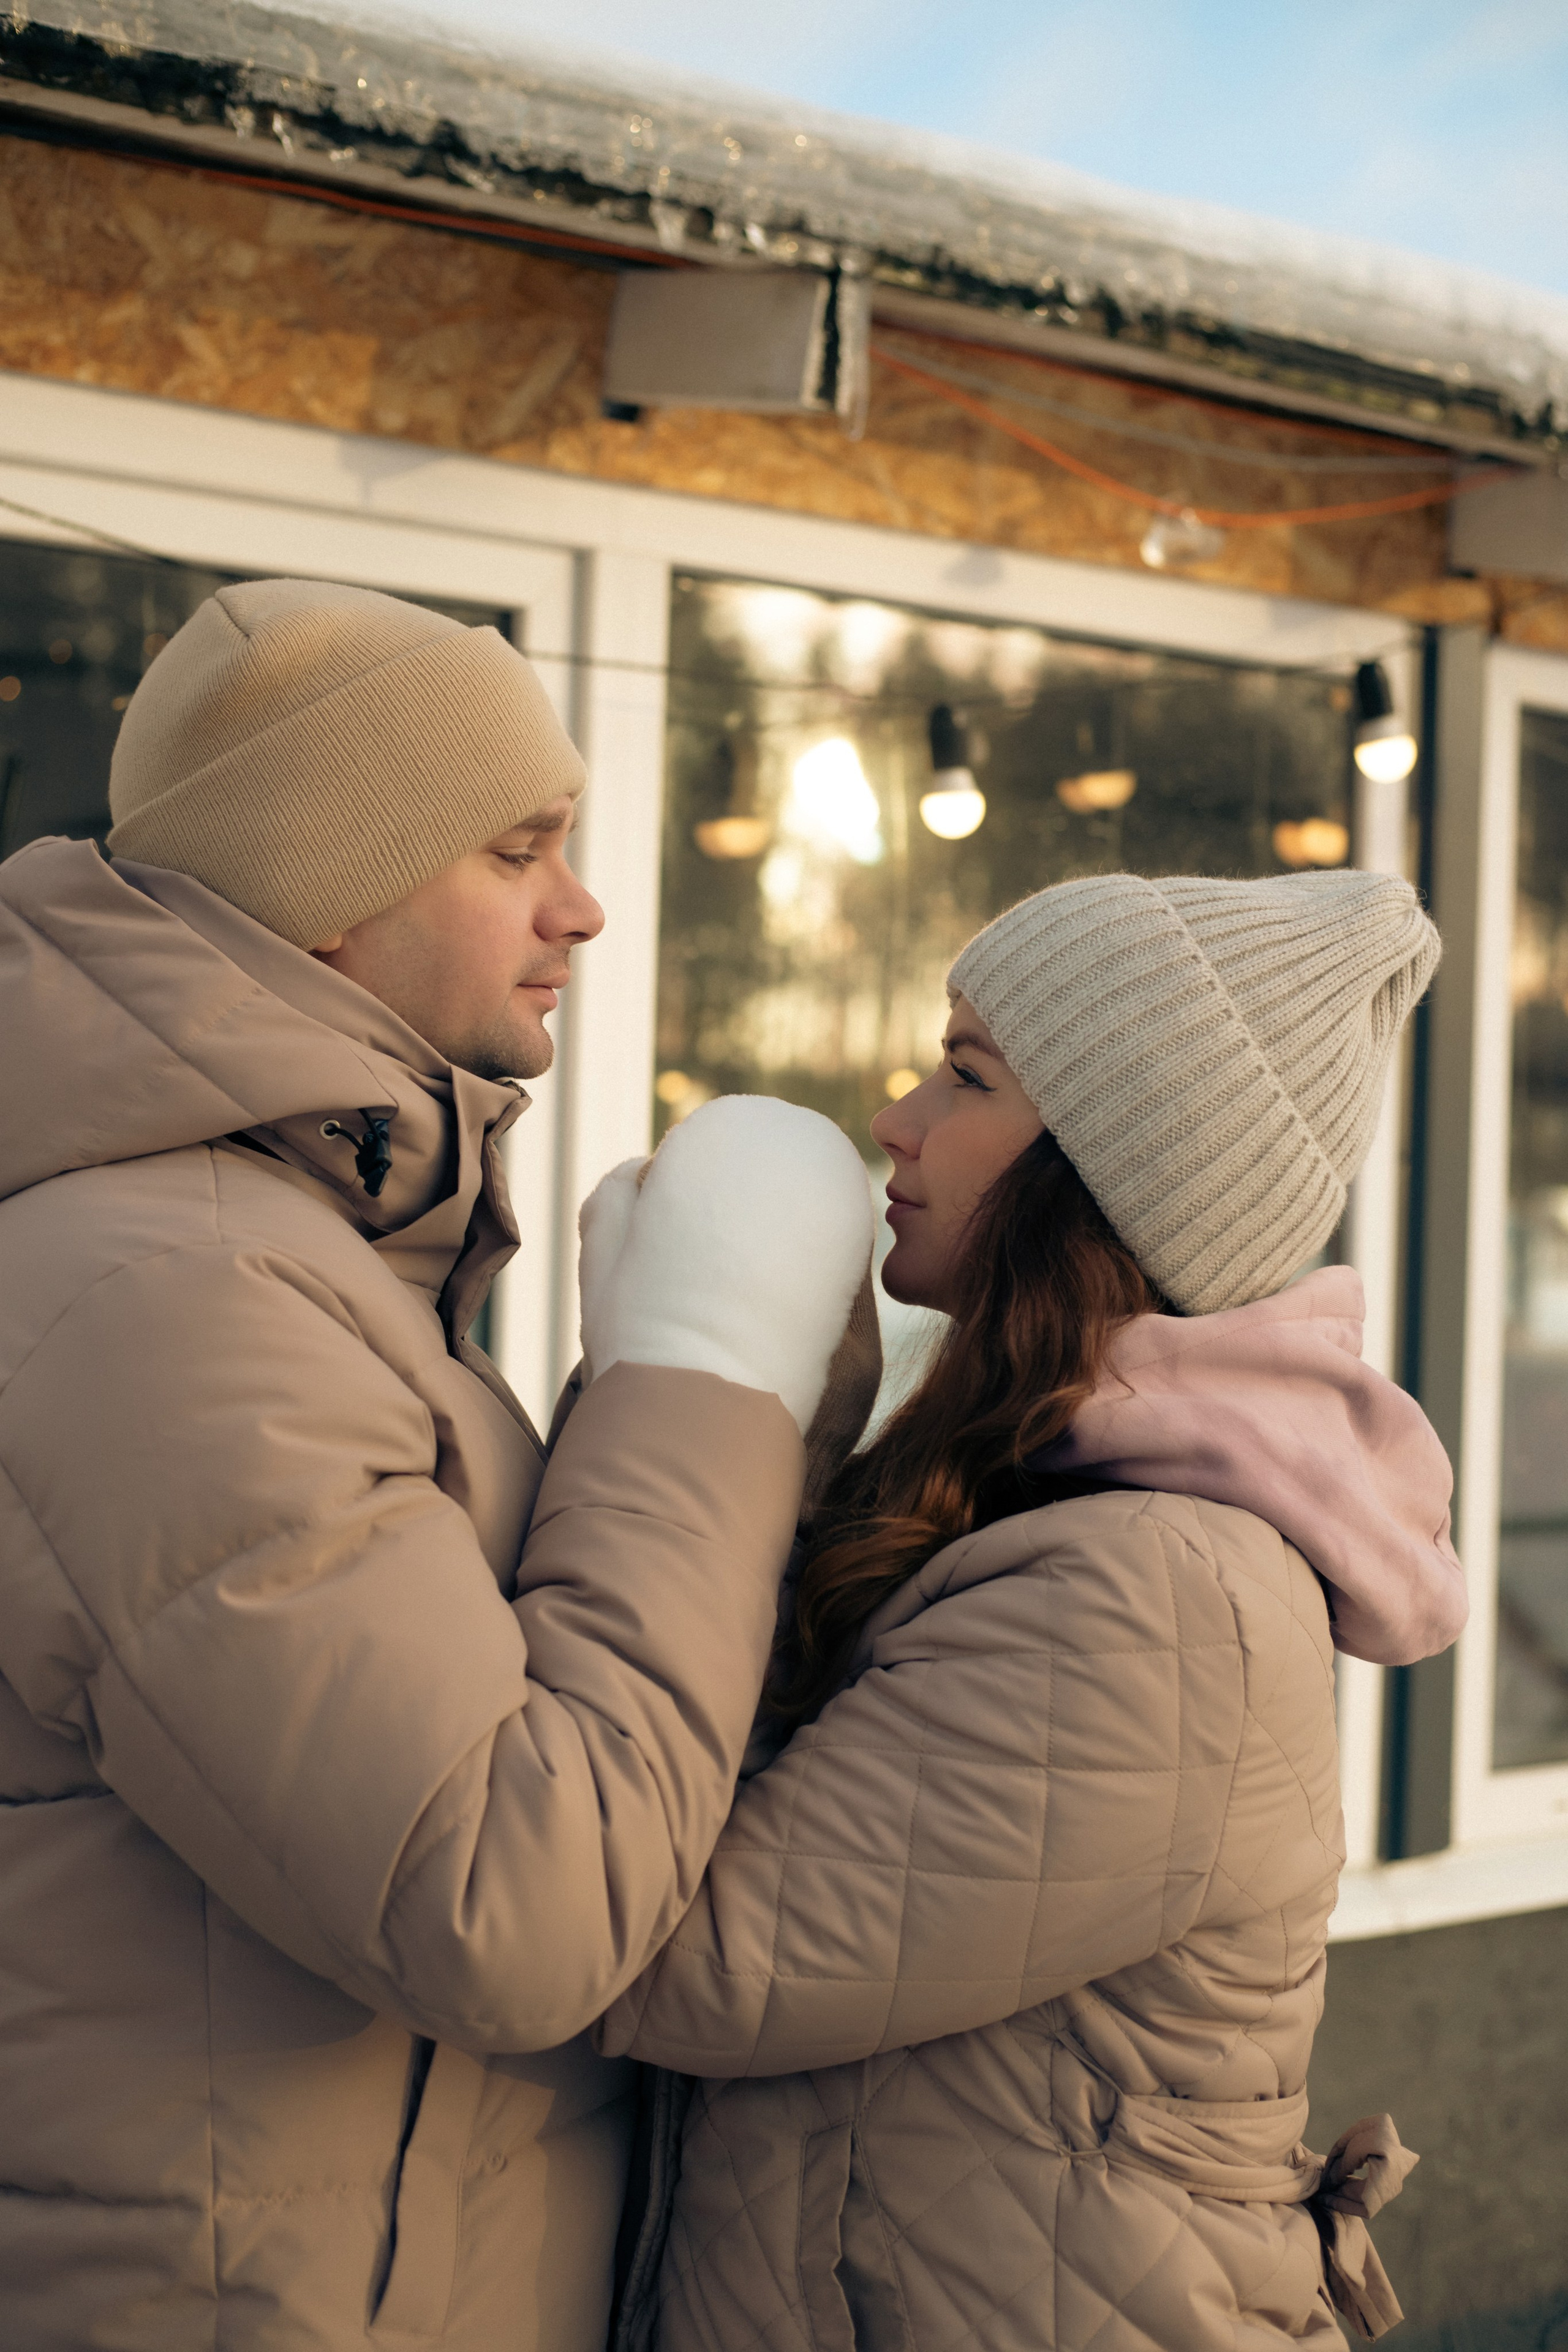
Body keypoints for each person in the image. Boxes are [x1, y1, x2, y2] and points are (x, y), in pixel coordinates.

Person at [0, 578, 878, 2351]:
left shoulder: (314, 1258)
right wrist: (700, 1391)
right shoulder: (173, 1301)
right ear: (329, 892)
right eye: (516, 849)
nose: (583, 905)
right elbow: (509, 1899)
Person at [599, 869, 1468, 2352]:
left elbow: (669, 1957)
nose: (897, 1119)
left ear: (1106, 1172)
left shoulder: (1152, 1596)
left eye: (965, 1075)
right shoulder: (1036, 1498)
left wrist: (692, 1407)